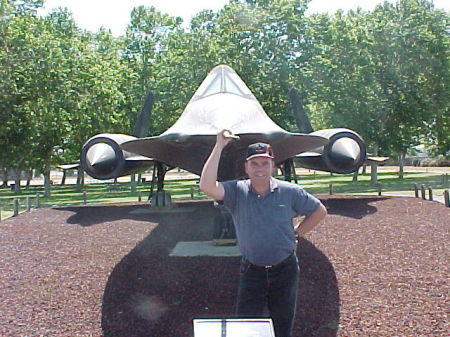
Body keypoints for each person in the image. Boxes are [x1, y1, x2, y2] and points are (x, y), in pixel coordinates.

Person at [199, 130, 327, 337]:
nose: (260, 169)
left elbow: (319, 211)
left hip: (285, 269)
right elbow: (206, 186)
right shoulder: (236, 191)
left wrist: (298, 232)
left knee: (282, 326)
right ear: (246, 167)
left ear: (273, 166)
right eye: (254, 164)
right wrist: (219, 146)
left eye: (265, 163)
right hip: (252, 271)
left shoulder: (290, 191)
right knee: (245, 328)